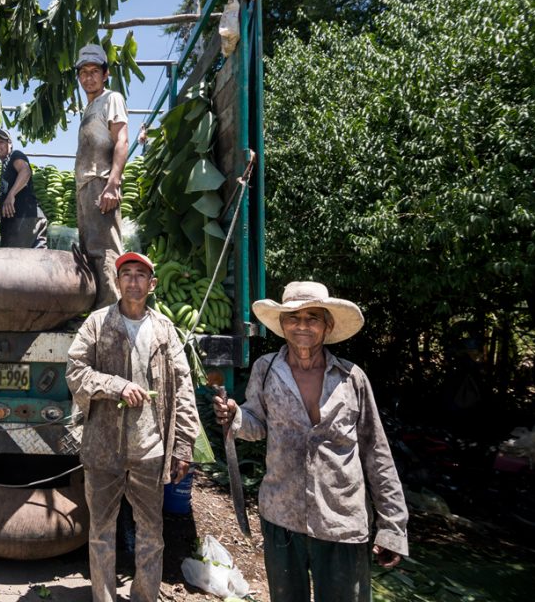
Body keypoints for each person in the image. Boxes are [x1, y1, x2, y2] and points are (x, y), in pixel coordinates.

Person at [212, 281, 408, 602]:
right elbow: (255, 424)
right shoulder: (267, 369)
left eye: (312, 317)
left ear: (327, 325)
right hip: (282, 516)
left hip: (341, 521)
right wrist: (234, 415)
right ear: (282, 324)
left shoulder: (351, 378)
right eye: (293, 317)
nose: (302, 325)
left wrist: (393, 526)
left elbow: (377, 453)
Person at [66, 251, 200, 602]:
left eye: (141, 275)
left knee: (151, 534)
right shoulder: (97, 324)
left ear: (152, 284)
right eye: (127, 274)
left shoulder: (164, 330)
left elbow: (183, 387)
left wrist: (184, 445)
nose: (134, 281)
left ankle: (144, 596)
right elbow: (75, 371)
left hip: (149, 449)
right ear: (117, 281)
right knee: (101, 531)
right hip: (103, 447)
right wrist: (116, 386)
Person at [74, 44, 128, 309]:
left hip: (101, 183)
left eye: (95, 71)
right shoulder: (89, 107)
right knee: (90, 252)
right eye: (83, 72)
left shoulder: (112, 99)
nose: (89, 77)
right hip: (85, 187)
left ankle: (113, 316)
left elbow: (122, 141)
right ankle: (96, 316)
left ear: (105, 74)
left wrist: (113, 183)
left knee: (106, 252)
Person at [0, 128, 48, 248]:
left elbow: (25, 171)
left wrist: (11, 194)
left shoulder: (15, 155)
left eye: (1, 142)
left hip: (24, 219)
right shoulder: (5, 168)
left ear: (10, 144)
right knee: (35, 263)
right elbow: (4, 201)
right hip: (23, 221)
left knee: (16, 263)